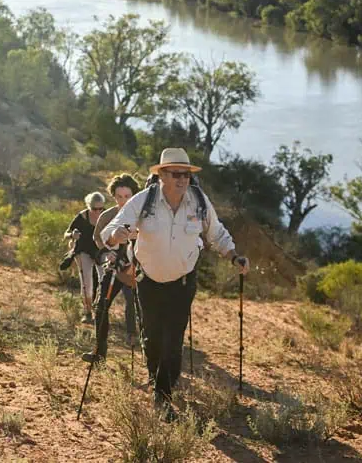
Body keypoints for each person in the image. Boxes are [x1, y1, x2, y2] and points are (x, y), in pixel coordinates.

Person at [102, 148, 249, 420]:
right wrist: (116, 236)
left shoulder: (198, 201)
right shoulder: (144, 200)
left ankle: (163, 395)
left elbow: (216, 233)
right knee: (152, 337)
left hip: (182, 282)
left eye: (186, 174)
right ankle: (155, 376)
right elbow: (110, 229)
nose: (182, 179)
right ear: (162, 175)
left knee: (173, 339)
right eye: (176, 174)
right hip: (148, 281)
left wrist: (233, 256)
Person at [82, 173, 142, 364]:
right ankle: (99, 352)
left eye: (127, 196)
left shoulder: (143, 216)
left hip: (138, 270)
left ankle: (150, 356)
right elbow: (98, 241)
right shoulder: (108, 216)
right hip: (114, 269)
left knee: (142, 309)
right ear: (113, 196)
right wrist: (107, 254)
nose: (123, 201)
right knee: (101, 306)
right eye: (119, 196)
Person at [64, 192, 106, 323]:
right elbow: (66, 233)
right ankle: (87, 312)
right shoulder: (82, 217)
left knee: (104, 280)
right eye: (94, 209)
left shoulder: (106, 215)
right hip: (83, 251)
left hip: (100, 251)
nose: (98, 211)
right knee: (87, 283)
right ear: (88, 206)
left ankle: (100, 309)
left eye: (100, 208)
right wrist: (72, 235)